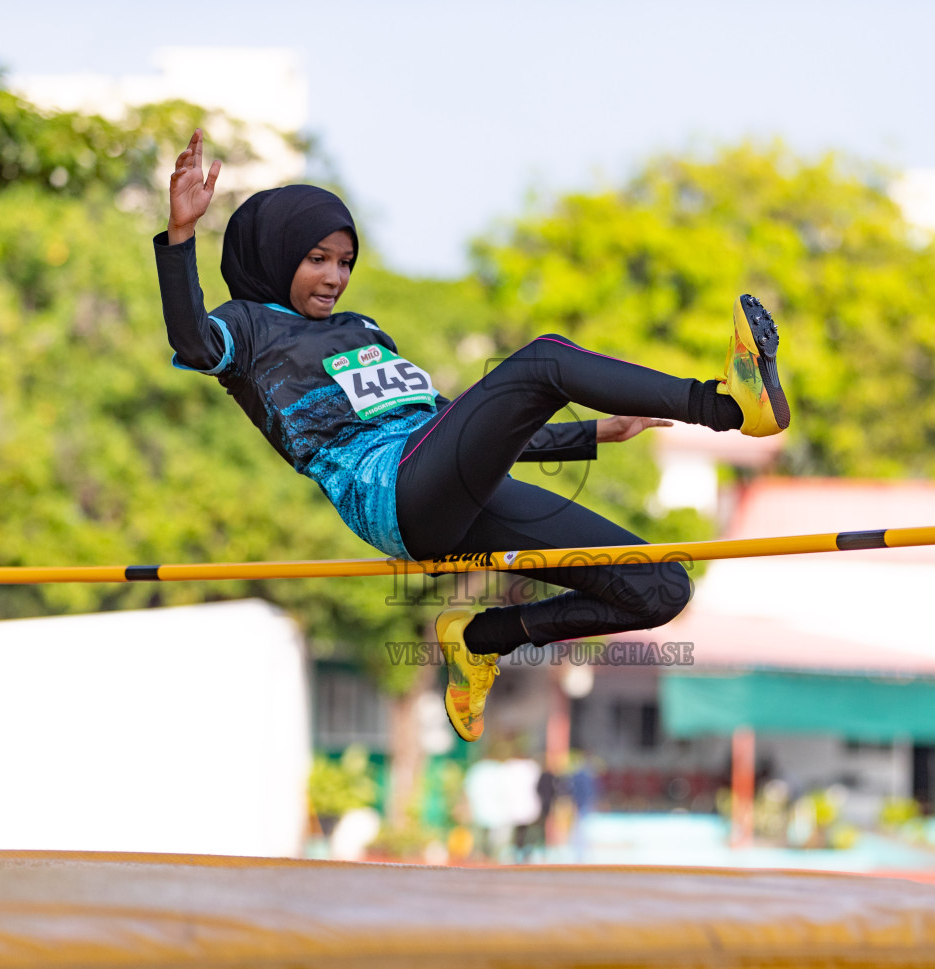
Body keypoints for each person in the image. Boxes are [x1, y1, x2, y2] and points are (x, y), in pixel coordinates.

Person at [153, 130, 788, 742]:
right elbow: (190, 339)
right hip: (391, 492)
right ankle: (725, 404)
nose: (334, 277)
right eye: (317, 259)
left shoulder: (364, 328)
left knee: (661, 587)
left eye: (345, 262)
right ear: (275, 255)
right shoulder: (248, 326)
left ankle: (482, 639)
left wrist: (593, 433)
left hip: (452, 482)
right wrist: (181, 236)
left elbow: (457, 427)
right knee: (544, 362)